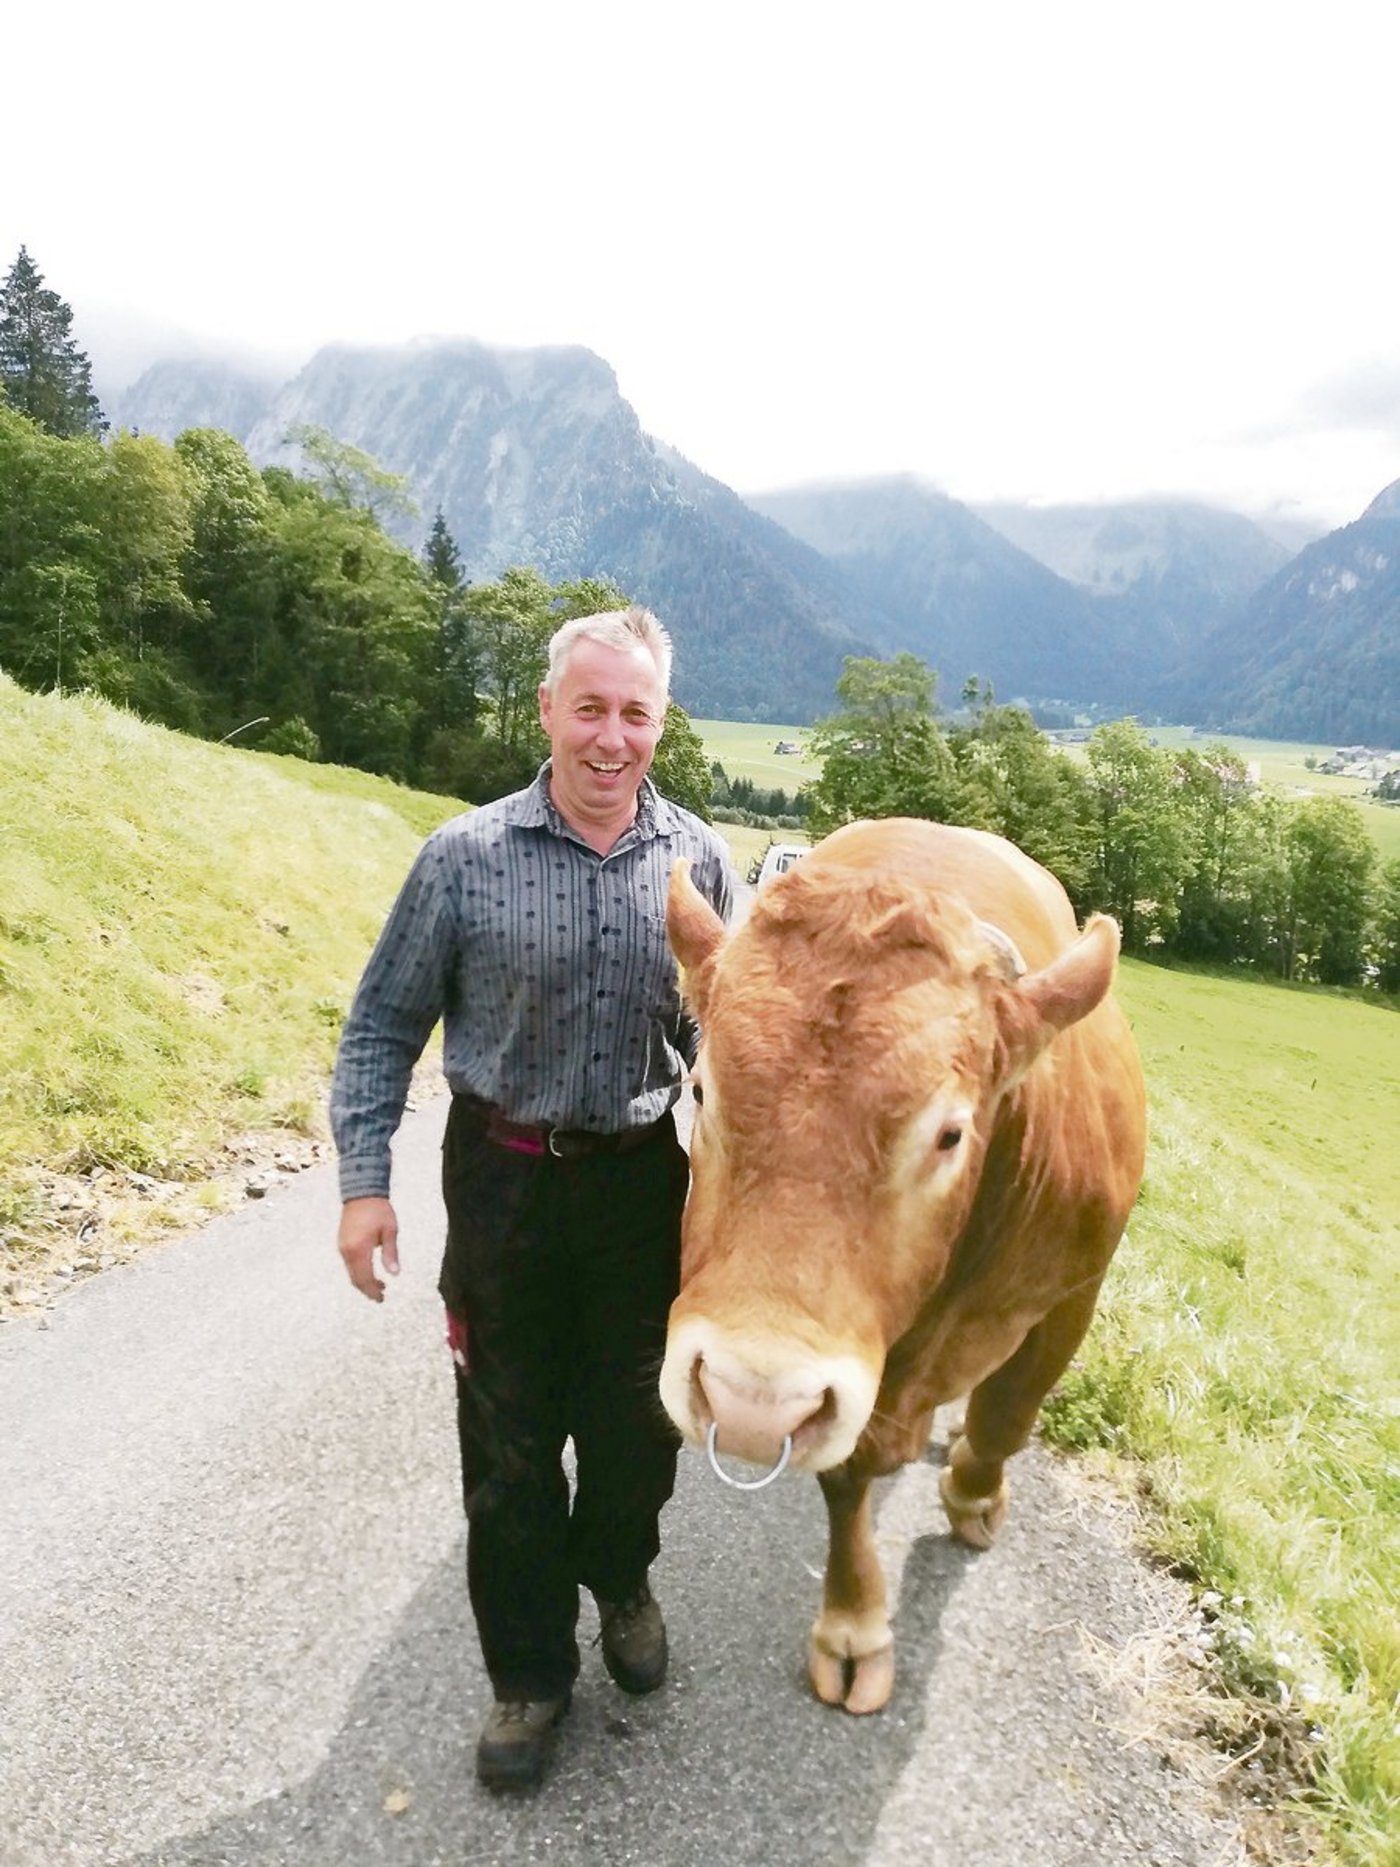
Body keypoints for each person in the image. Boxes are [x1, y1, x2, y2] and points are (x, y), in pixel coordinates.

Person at [330, 605, 734, 1791]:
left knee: (635, 1437)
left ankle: (619, 1574)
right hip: (501, 1182)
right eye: (591, 707)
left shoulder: (697, 859)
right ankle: (529, 1678)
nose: (611, 737)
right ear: (549, 709)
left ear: (661, 721)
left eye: (636, 713)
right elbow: (379, 1030)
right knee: (506, 1450)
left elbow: (731, 1046)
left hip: (641, 1189)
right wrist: (365, 1187)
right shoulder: (463, 856)